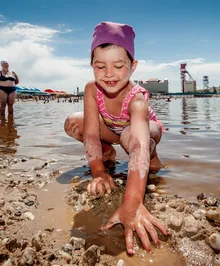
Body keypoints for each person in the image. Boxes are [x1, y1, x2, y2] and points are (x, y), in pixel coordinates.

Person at [64, 22, 168, 255]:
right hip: (114, 129)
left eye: (118, 66)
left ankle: (155, 155)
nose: (109, 73)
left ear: (132, 66)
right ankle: (107, 154)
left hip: (143, 131)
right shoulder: (92, 89)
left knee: (133, 139)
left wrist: (131, 203)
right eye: (100, 66)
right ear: (92, 66)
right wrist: (98, 171)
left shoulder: (137, 98)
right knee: (73, 122)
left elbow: (138, 145)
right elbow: (90, 132)